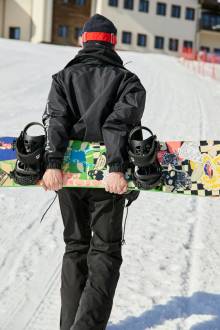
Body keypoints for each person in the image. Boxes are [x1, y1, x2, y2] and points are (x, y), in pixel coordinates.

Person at [42, 14, 146, 330]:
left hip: (68, 178)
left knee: (76, 247)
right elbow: (120, 124)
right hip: (110, 181)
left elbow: (57, 121)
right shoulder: (128, 82)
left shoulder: (63, 77)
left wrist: (53, 164)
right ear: (114, 44)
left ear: (82, 41)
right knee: (104, 252)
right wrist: (117, 167)